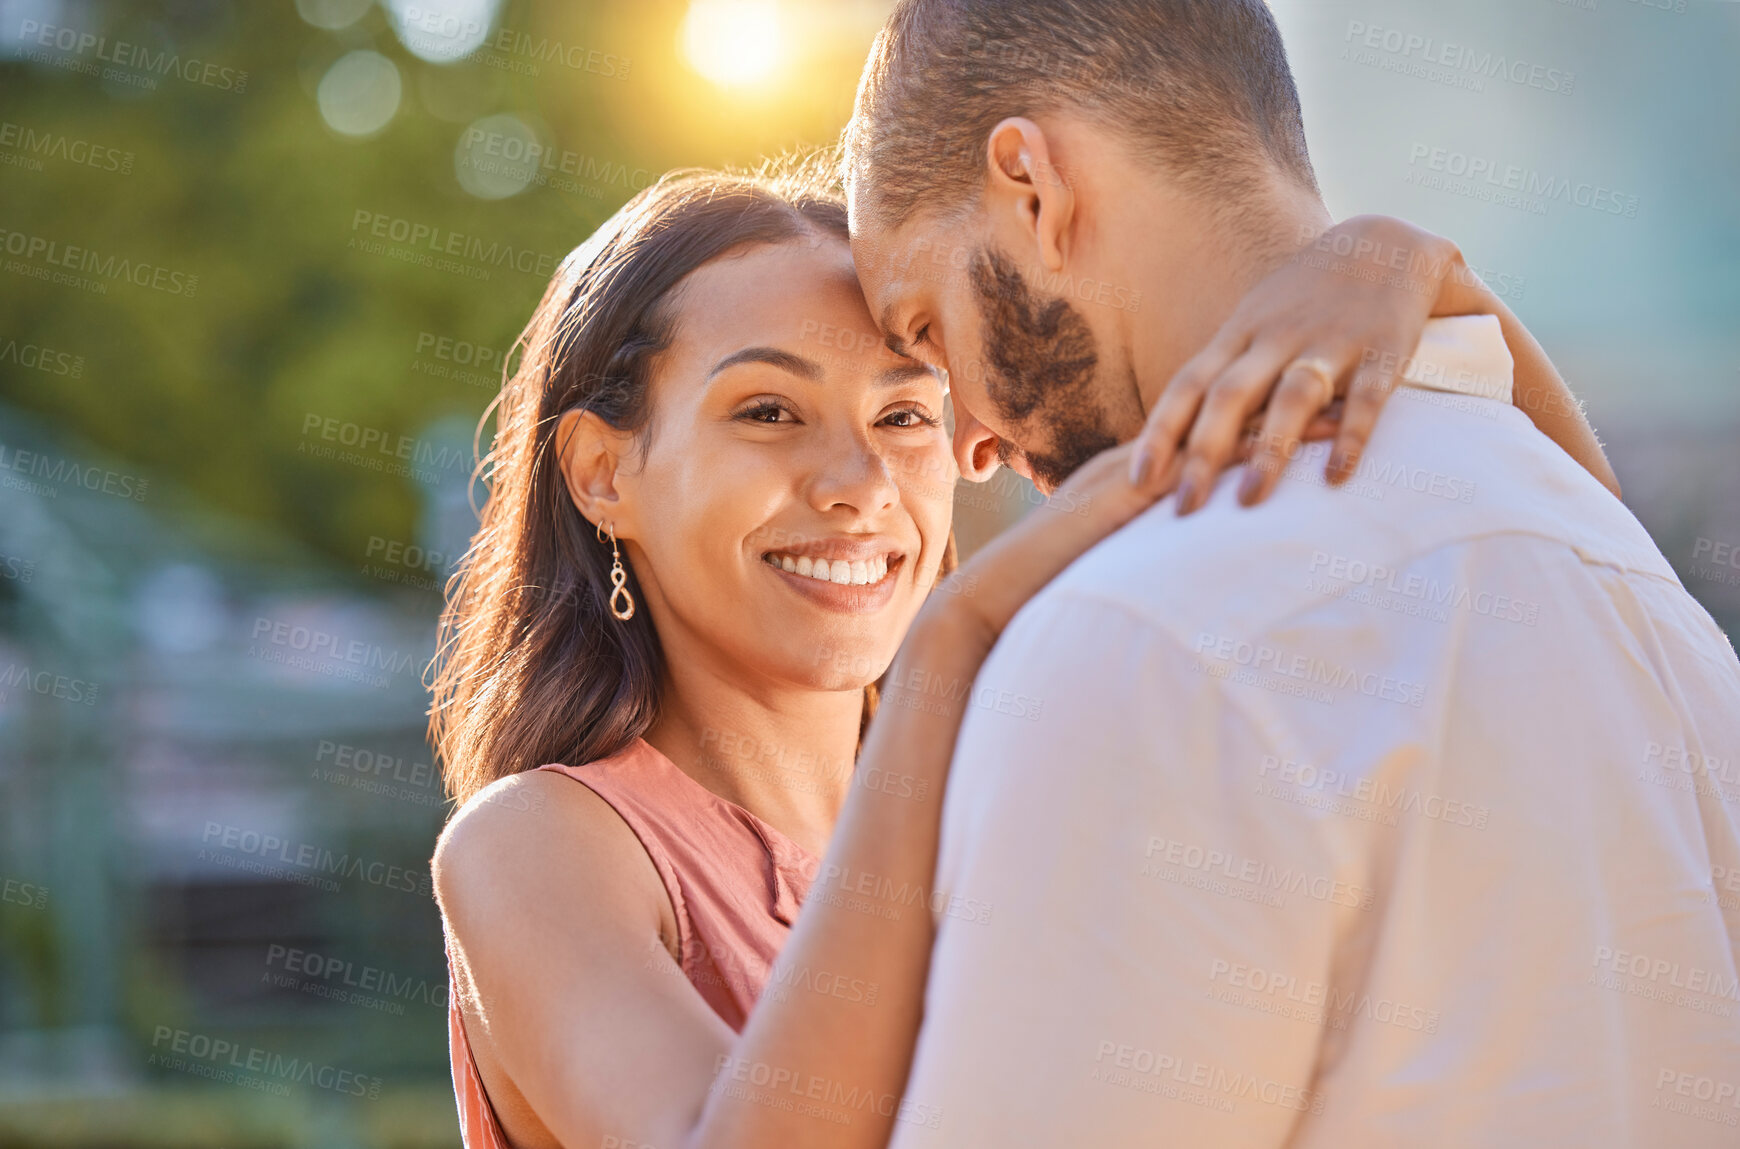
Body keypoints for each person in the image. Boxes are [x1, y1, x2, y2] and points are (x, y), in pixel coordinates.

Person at [427, 169, 1617, 1148]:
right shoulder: (539, 845)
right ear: (602, 473)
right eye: (768, 413)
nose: (858, 488)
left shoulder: (1016, 776)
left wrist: (1423, 273)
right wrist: (950, 650)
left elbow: (1591, 599)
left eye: (902, 417)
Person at [840, 2, 1740, 1146]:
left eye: (924, 328)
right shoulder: (1646, 601)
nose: (962, 437)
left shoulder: (1138, 642)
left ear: (1031, 186)